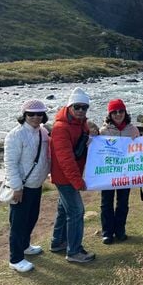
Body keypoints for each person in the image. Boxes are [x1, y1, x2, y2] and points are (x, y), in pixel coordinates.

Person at [4, 99, 51, 273]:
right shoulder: (15, 135)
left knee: (32, 217)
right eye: (31, 114)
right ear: (24, 115)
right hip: (22, 186)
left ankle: (25, 246)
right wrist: (17, 187)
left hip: (36, 183)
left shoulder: (43, 132)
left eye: (39, 114)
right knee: (18, 223)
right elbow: (10, 163)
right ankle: (15, 259)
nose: (36, 117)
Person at [49, 87, 95, 263]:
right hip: (65, 178)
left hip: (68, 176)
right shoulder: (61, 128)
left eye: (84, 107)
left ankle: (58, 242)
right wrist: (77, 181)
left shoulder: (80, 123)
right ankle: (74, 251)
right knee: (76, 211)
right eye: (77, 107)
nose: (81, 110)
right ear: (69, 107)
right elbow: (65, 159)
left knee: (64, 209)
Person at [99, 99, 140, 244]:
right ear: (110, 114)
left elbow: (140, 149)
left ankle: (120, 230)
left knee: (123, 202)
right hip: (108, 172)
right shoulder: (103, 131)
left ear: (125, 112)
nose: (118, 114)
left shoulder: (133, 130)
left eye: (121, 111)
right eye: (114, 112)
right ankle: (107, 232)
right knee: (106, 202)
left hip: (126, 172)